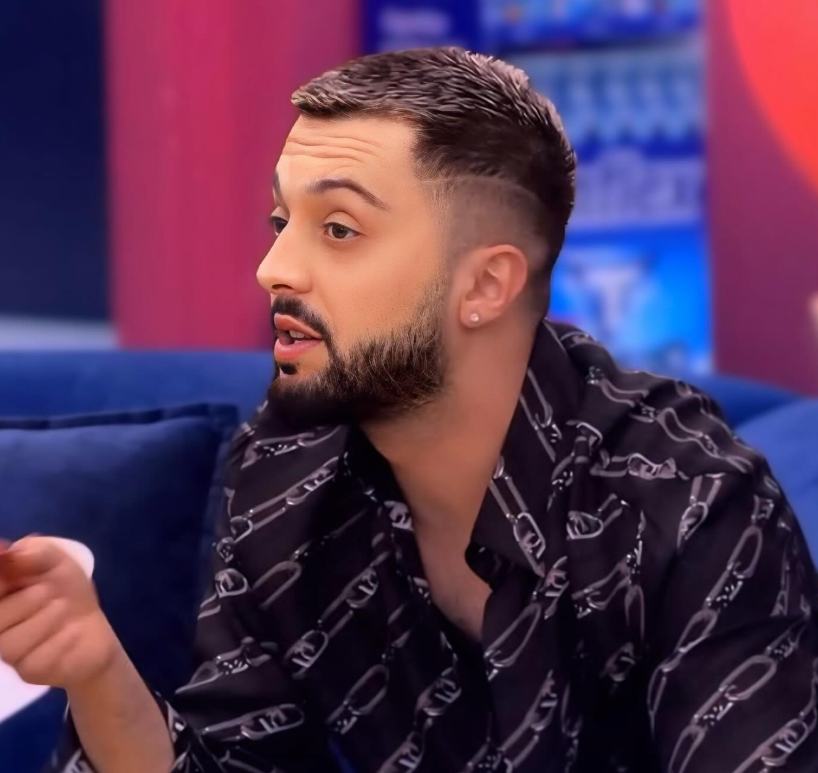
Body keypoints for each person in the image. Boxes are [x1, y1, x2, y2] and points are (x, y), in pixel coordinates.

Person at [1, 46, 817, 773]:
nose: (274, 267)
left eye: (339, 229)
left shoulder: (684, 501)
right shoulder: (289, 471)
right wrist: (97, 673)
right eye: (282, 221)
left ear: (485, 285)